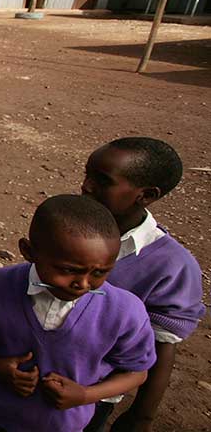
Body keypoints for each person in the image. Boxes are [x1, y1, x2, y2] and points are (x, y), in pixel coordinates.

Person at [0, 195, 156, 432]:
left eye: (100, 272)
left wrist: (84, 395)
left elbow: (136, 373)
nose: (82, 283)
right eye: (69, 270)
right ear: (29, 251)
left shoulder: (124, 312)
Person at [79, 138, 205, 432]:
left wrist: (141, 417)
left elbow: (162, 346)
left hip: (93, 393)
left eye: (102, 180)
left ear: (146, 195)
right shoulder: (69, 226)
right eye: (87, 173)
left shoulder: (171, 265)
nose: (86, 185)